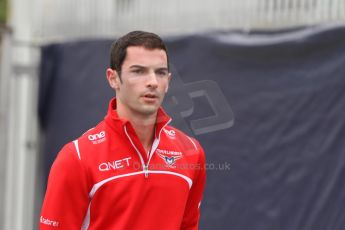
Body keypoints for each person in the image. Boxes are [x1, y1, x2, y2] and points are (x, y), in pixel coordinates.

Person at [40, 31, 206, 230]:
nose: (153, 82)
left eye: (160, 72)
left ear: (169, 80)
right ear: (113, 78)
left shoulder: (191, 152)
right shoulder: (77, 157)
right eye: (138, 71)